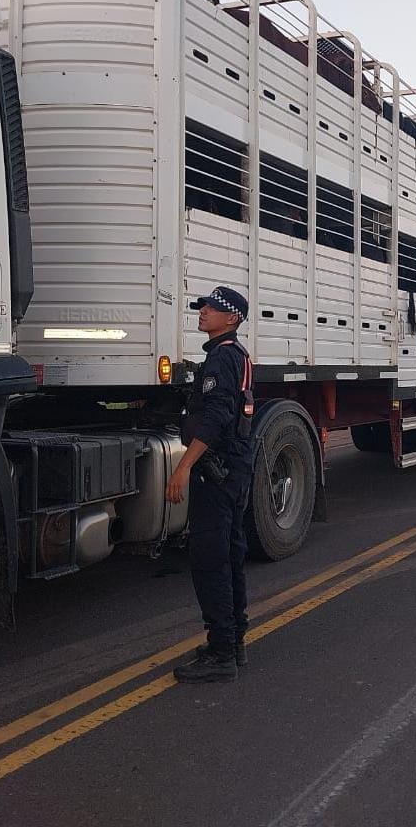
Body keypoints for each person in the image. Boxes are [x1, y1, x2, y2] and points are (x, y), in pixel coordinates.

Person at [167, 286, 254, 684]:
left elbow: (216, 417)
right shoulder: (234, 356)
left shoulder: (222, 358)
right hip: (232, 470)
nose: (203, 311)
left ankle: (221, 652)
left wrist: (183, 467)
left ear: (232, 318)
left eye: (212, 308)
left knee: (210, 558)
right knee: (231, 553)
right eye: (203, 305)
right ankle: (234, 641)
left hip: (216, 471)